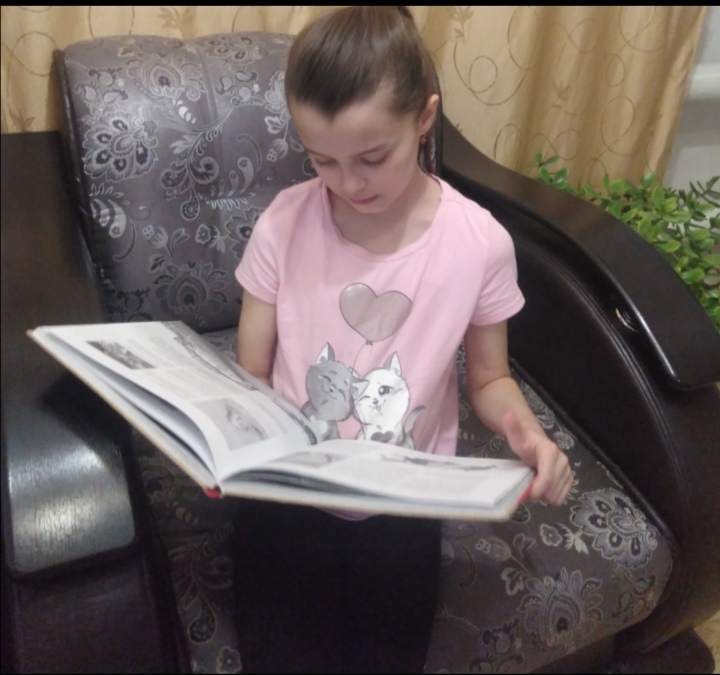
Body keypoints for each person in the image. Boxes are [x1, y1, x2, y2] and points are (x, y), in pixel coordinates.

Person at [232, 6, 573, 674]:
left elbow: (489, 378)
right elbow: (250, 372)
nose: (347, 183)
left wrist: (527, 433)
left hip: (403, 508)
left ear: (424, 118)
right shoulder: (283, 223)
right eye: (322, 160)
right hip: (289, 499)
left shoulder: (477, 244)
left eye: (372, 157)